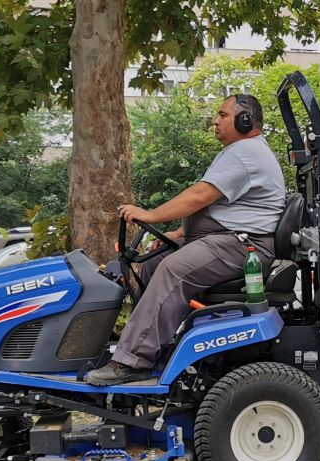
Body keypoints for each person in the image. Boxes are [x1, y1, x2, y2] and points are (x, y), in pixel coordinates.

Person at [85, 94, 287, 386]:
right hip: (226, 237)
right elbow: (225, 207)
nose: (214, 121)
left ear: (246, 121)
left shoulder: (246, 153)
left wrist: (151, 215)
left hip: (241, 244)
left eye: (222, 115)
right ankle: (154, 348)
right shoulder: (241, 151)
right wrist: (178, 234)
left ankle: (133, 361)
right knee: (153, 262)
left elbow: (199, 196)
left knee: (173, 269)